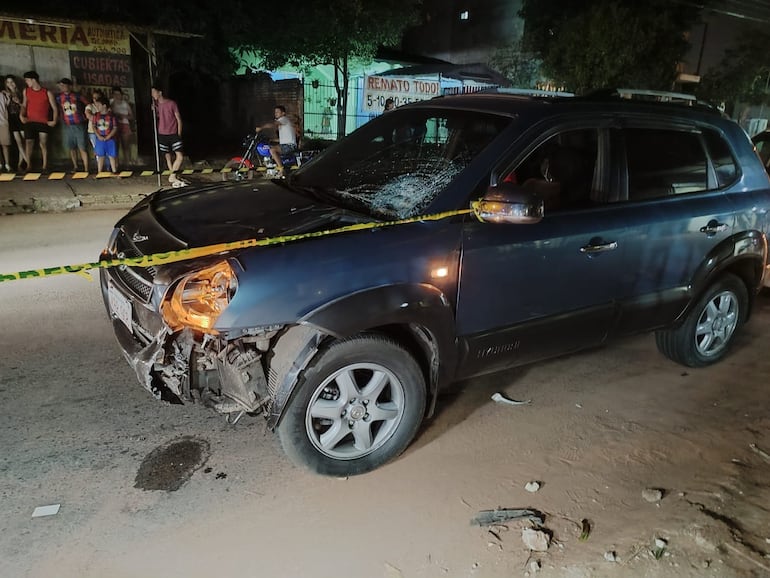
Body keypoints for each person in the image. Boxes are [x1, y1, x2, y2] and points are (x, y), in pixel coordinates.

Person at [19, 70, 57, 173]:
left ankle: (45, 165)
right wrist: (21, 115)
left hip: (43, 121)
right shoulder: (26, 91)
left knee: (43, 143)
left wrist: (54, 120)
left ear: (33, 80)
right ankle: (28, 165)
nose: (26, 82)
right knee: (28, 142)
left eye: (27, 80)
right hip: (30, 121)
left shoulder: (47, 92)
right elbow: (24, 105)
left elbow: (54, 108)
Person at [151, 84, 185, 187]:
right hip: (162, 133)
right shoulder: (156, 105)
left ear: (160, 92)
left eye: (154, 92)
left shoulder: (171, 103)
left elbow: (179, 119)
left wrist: (179, 133)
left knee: (179, 156)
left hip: (173, 133)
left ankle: (172, 175)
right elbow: (158, 115)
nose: (153, 95)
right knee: (167, 156)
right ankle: (173, 174)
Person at [55, 78, 89, 172]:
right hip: (67, 125)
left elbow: (88, 104)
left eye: (63, 85)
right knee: (72, 147)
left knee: (82, 147)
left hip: (79, 124)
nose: (62, 87)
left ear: (69, 86)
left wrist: (85, 116)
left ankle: (86, 168)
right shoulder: (59, 97)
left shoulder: (77, 96)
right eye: (60, 86)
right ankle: (75, 166)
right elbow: (58, 108)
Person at [256, 105, 297, 178]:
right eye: (275, 112)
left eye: (277, 112)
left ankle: (281, 170)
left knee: (272, 150)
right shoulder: (284, 122)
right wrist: (271, 140)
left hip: (289, 146)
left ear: (283, 113)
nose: (276, 113)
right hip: (287, 144)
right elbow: (284, 139)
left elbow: (273, 124)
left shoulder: (283, 119)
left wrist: (261, 128)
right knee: (270, 147)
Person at [4, 75, 30, 171]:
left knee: (24, 141)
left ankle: (21, 163)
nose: (10, 84)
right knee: (18, 141)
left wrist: (19, 102)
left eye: (12, 82)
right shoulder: (5, 94)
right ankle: (27, 162)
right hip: (12, 119)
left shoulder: (21, 92)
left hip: (21, 117)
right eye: (8, 82)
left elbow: (25, 106)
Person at [92, 98, 118, 174]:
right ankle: (99, 172)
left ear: (104, 106)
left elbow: (115, 128)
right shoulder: (96, 115)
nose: (97, 107)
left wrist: (108, 136)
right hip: (99, 138)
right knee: (100, 156)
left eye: (98, 105)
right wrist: (98, 136)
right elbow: (94, 126)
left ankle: (114, 171)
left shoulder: (112, 116)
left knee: (112, 156)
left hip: (110, 138)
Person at [110, 86, 134, 165]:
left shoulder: (125, 103)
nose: (117, 96)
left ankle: (127, 163)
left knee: (125, 146)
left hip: (124, 125)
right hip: (114, 125)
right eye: (115, 94)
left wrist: (123, 116)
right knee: (115, 146)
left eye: (118, 94)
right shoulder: (111, 103)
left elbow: (131, 116)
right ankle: (116, 165)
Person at [84, 89, 104, 169]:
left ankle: (106, 167)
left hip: (104, 131)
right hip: (92, 131)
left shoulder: (104, 105)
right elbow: (89, 115)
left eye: (97, 97)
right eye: (94, 97)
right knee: (97, 149)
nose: (95, 99)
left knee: (104, 149)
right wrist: (101, 118)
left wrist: (96, 118)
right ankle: (100, 169)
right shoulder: (90, 106)